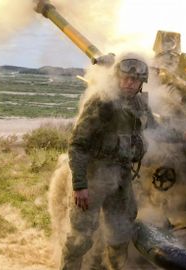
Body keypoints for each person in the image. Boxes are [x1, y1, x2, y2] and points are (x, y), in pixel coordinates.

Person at [60, 56, 151, 270]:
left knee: (120, 234)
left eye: (135, 81)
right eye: (126, 78)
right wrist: (80, 185)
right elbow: (78, 145)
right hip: (94, 177)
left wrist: (184, 137)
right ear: (117, 77)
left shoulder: (139, 105)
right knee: (79, 238)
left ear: (141, 84)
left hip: (121, 178)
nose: (130, 83)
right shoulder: (101, 101)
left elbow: (156, 128)